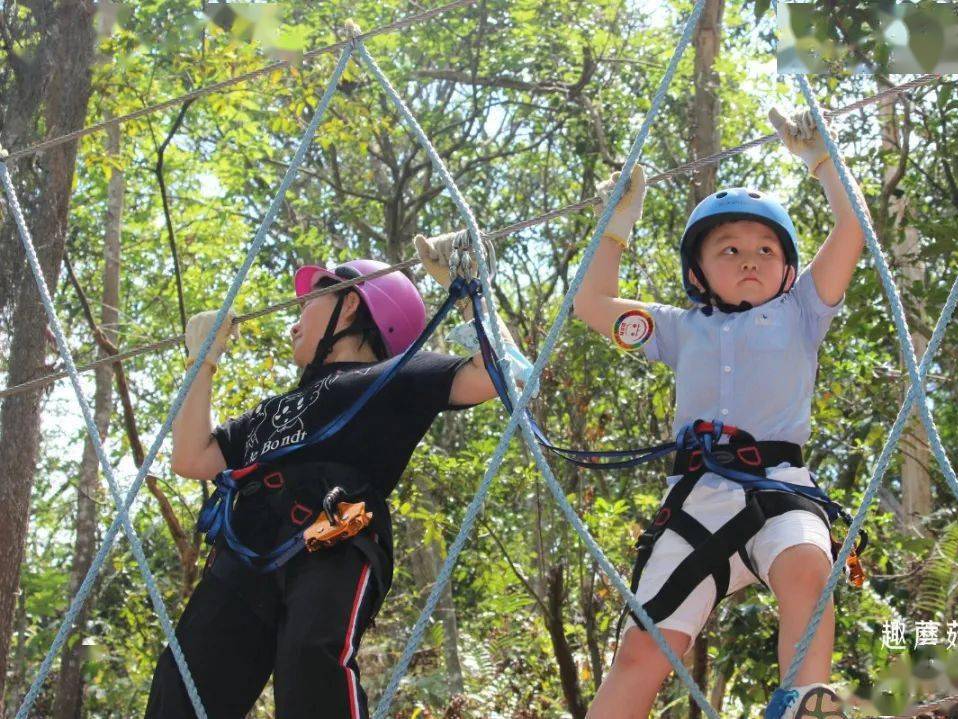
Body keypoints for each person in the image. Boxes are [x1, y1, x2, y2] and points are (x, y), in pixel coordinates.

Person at [573, 108, 868, 719]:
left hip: (779, 490)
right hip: (696, 502)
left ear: (788, 267)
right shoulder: (680, 329)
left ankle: (801, 707)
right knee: (643, 651)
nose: (750, 259)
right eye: (728, 249)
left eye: (765, 248)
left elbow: (852, 231)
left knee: (808, 572)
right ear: (697, 271)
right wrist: (616, 222)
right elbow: (592, 303)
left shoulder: (804, 311)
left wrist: (822, 162)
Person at [146, 244, 517, 718]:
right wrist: (201, 364)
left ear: (350, 304)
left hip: (334, 532)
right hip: (248, 547)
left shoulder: (393, 377)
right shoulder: (273, 411)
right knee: (184, 680)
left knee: (310, 663)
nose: (295, 320)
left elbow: (502, 376)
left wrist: (468, 292)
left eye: (310, 302)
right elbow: (191, 456)